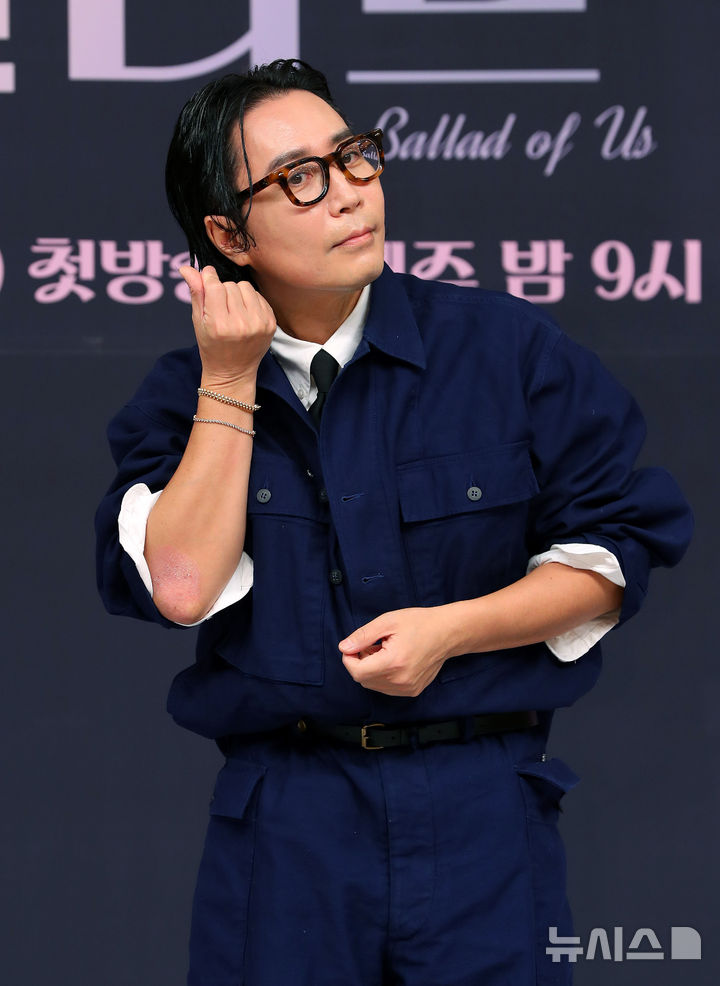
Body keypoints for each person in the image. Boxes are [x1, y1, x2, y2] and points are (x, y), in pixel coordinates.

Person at [95, 59, 692, 986]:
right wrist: (230, 379)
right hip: (287, 823)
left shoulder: (505, 349)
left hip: (482, 807)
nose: (349, 193)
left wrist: (454, 631)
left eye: (355, 157)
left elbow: (618, 548)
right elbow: (180, 587)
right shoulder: (184, 396)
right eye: (300, 177)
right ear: (227, 234)